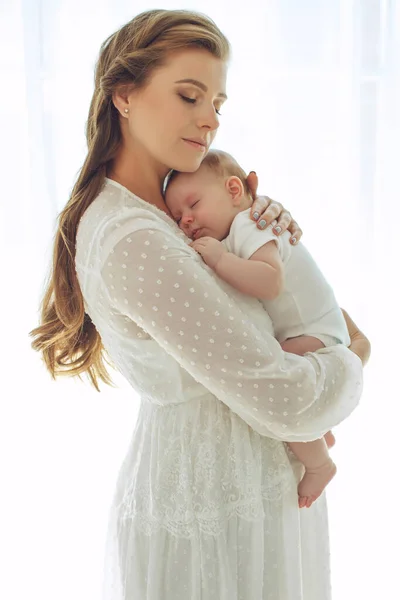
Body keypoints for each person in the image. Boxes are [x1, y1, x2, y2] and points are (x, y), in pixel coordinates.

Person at [29, 9, 370, 600]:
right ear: (124, 96)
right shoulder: (134, 238)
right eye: (190, 96)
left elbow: (269, 316)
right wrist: (354, 356)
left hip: (248, 496)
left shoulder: (171, 213)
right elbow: (285, 395)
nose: (210, 119)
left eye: (218, 103)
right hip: (216, 508)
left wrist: (263, 233)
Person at [164, 149, 352, 509]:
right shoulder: (235, 229)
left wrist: (219, 259)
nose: (186, 220)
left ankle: (319, 463)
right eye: (177, 216)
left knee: (276, 379)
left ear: (234, 189)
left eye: (193, 204)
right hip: (313, 329)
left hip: (317, 332)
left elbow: (270, 282)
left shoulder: (248, 224)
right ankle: (317, 433)